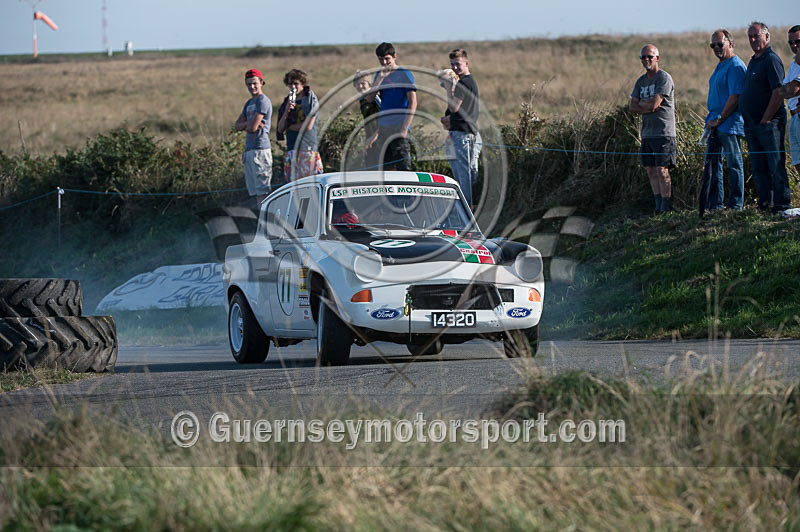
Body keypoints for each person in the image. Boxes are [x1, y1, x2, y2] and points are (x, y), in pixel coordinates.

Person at [740, 21, 790, 213]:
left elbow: (778, 92)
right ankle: (766, 204)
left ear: (767, 37)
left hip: (769, 123)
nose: (753, 40)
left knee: (775, 165)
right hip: (752, 124)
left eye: (756, 36)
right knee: (759, 168)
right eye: (750, 37)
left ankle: (781, 205)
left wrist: (766, 119)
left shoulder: (771, 59)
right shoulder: (754, 60)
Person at [629, 44, 676, 213]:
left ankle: (666, 206)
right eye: (643, 57)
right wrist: (646, 106)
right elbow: (632, 107)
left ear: (657, 58)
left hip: (663, 132)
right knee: (650, 170)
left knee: (662, 170)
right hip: (647, 133)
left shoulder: (664, 78)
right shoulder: (641, 81)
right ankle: (657, 205)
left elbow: (655, 104)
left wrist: (644, 105)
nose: (646, 60)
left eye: (650, 56)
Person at [705, 29, 747, 210]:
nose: (716, 48)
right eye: (712, 45)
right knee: (713, 164)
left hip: (729, 124)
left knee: (734, 164)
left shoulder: (735, 66)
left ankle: (736, 204)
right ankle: (715, 204)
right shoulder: (721, 65)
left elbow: (735, 96)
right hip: (715, 123)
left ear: (730, 43)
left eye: (719, 44)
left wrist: (720, 118)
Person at [364, 42, 417, 171]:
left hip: (399, 126)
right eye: (381, 60)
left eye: (387, 59)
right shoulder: (379, 74)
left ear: (394, 57)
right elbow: (370, 99)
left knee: (403, 166)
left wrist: (405, 128)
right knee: (385, 167)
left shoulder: (404, 74)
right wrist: (379, 80)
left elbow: (413, 102)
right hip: (384, 127)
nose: (384, 63)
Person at [440, 49, 480, 206]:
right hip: (461, 132)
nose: (455, 68)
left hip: (463, 133)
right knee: (463, 175)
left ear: (466, 63)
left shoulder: (464, 82)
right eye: (452, 65)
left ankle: (466, 209)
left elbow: (454, 107)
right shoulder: (467, 82)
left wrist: (450, 89)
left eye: (458, 64)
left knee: (464, 176)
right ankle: (466, 208)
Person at [276, 69, 323, 182]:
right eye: (290, 84)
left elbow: (308, 126)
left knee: (310, 185)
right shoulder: (287, 101)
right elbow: (280, 128)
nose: (293, 87)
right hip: (292, 149)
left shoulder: (310, 99)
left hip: (307, 149)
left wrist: (290, 127)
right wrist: (287, 111)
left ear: (303, 84)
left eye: (296, 84)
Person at [234, 68, 272, 205]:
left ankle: (266, 221)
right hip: (249, 150)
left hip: (260, 150)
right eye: (249, 84)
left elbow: (253, 127)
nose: (252, 87)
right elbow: (237, 125)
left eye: (255, 83)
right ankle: (260, 222)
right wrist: (248, 124)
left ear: (261, 82)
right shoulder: (249, 103)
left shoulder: (263, 101)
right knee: (255, 193)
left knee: (263, 192)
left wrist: (248, 125)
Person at [780, 25, 800, 175]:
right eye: (791, 43)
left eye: (798, 42)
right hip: (793, 117)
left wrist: (783, 89)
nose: (794, 45)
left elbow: (792, 89)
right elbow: (785, 90)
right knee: (798, 163)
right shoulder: (794, 64)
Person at [353, 70, 381, 170]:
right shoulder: (362, 100)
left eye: (363, 83)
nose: (360, 86)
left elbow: (386, 118)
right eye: (357, 84)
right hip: (370, 141)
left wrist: (374, 137)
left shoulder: (376, 97)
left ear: (369, 83)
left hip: (381, 139)